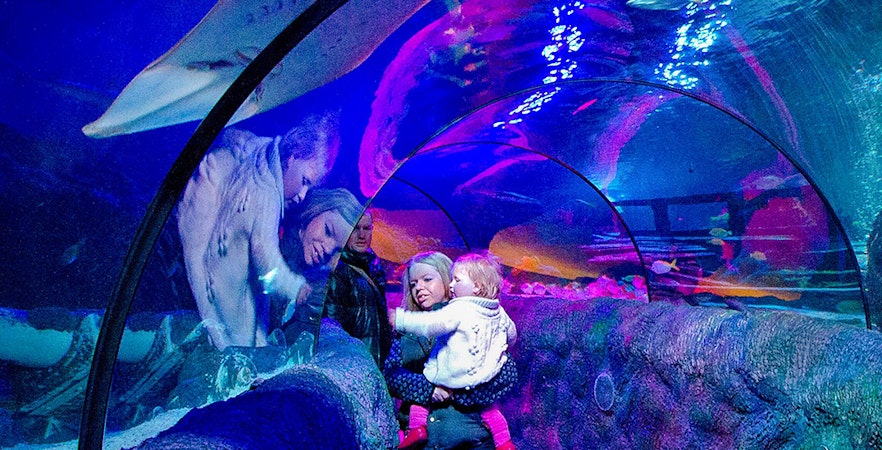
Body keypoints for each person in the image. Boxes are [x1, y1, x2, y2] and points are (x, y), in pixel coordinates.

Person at [177, 114, 337, 352]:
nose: (303, 194)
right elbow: (266, 263)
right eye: (304, 181)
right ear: (293, 157)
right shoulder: (266, 196)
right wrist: (295, 288)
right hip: (225, 301)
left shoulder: (258, 154)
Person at [383, 252, 518, 450]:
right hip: (425, 441)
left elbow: (506, 372)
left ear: (449, 279)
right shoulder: (405, 333)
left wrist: (461, 389)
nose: (419, 287)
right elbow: (391, 375)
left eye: (427, 279)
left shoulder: (477, 319)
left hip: (470, 436)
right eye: (413, 284)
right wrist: (429, 390)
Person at [276, 187, 364, 348]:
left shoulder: (321, 292)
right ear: (315, 210)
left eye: (338, 250)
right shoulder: (272, 246)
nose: (328, 249)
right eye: (328, 231)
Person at [323, 209, 393, 367]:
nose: (362, 235)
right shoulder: (338, 270)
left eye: (367, 228)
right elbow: (333, 326)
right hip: (352, 365)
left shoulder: (373, 266)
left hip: (374, 363)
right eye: (355, 228)